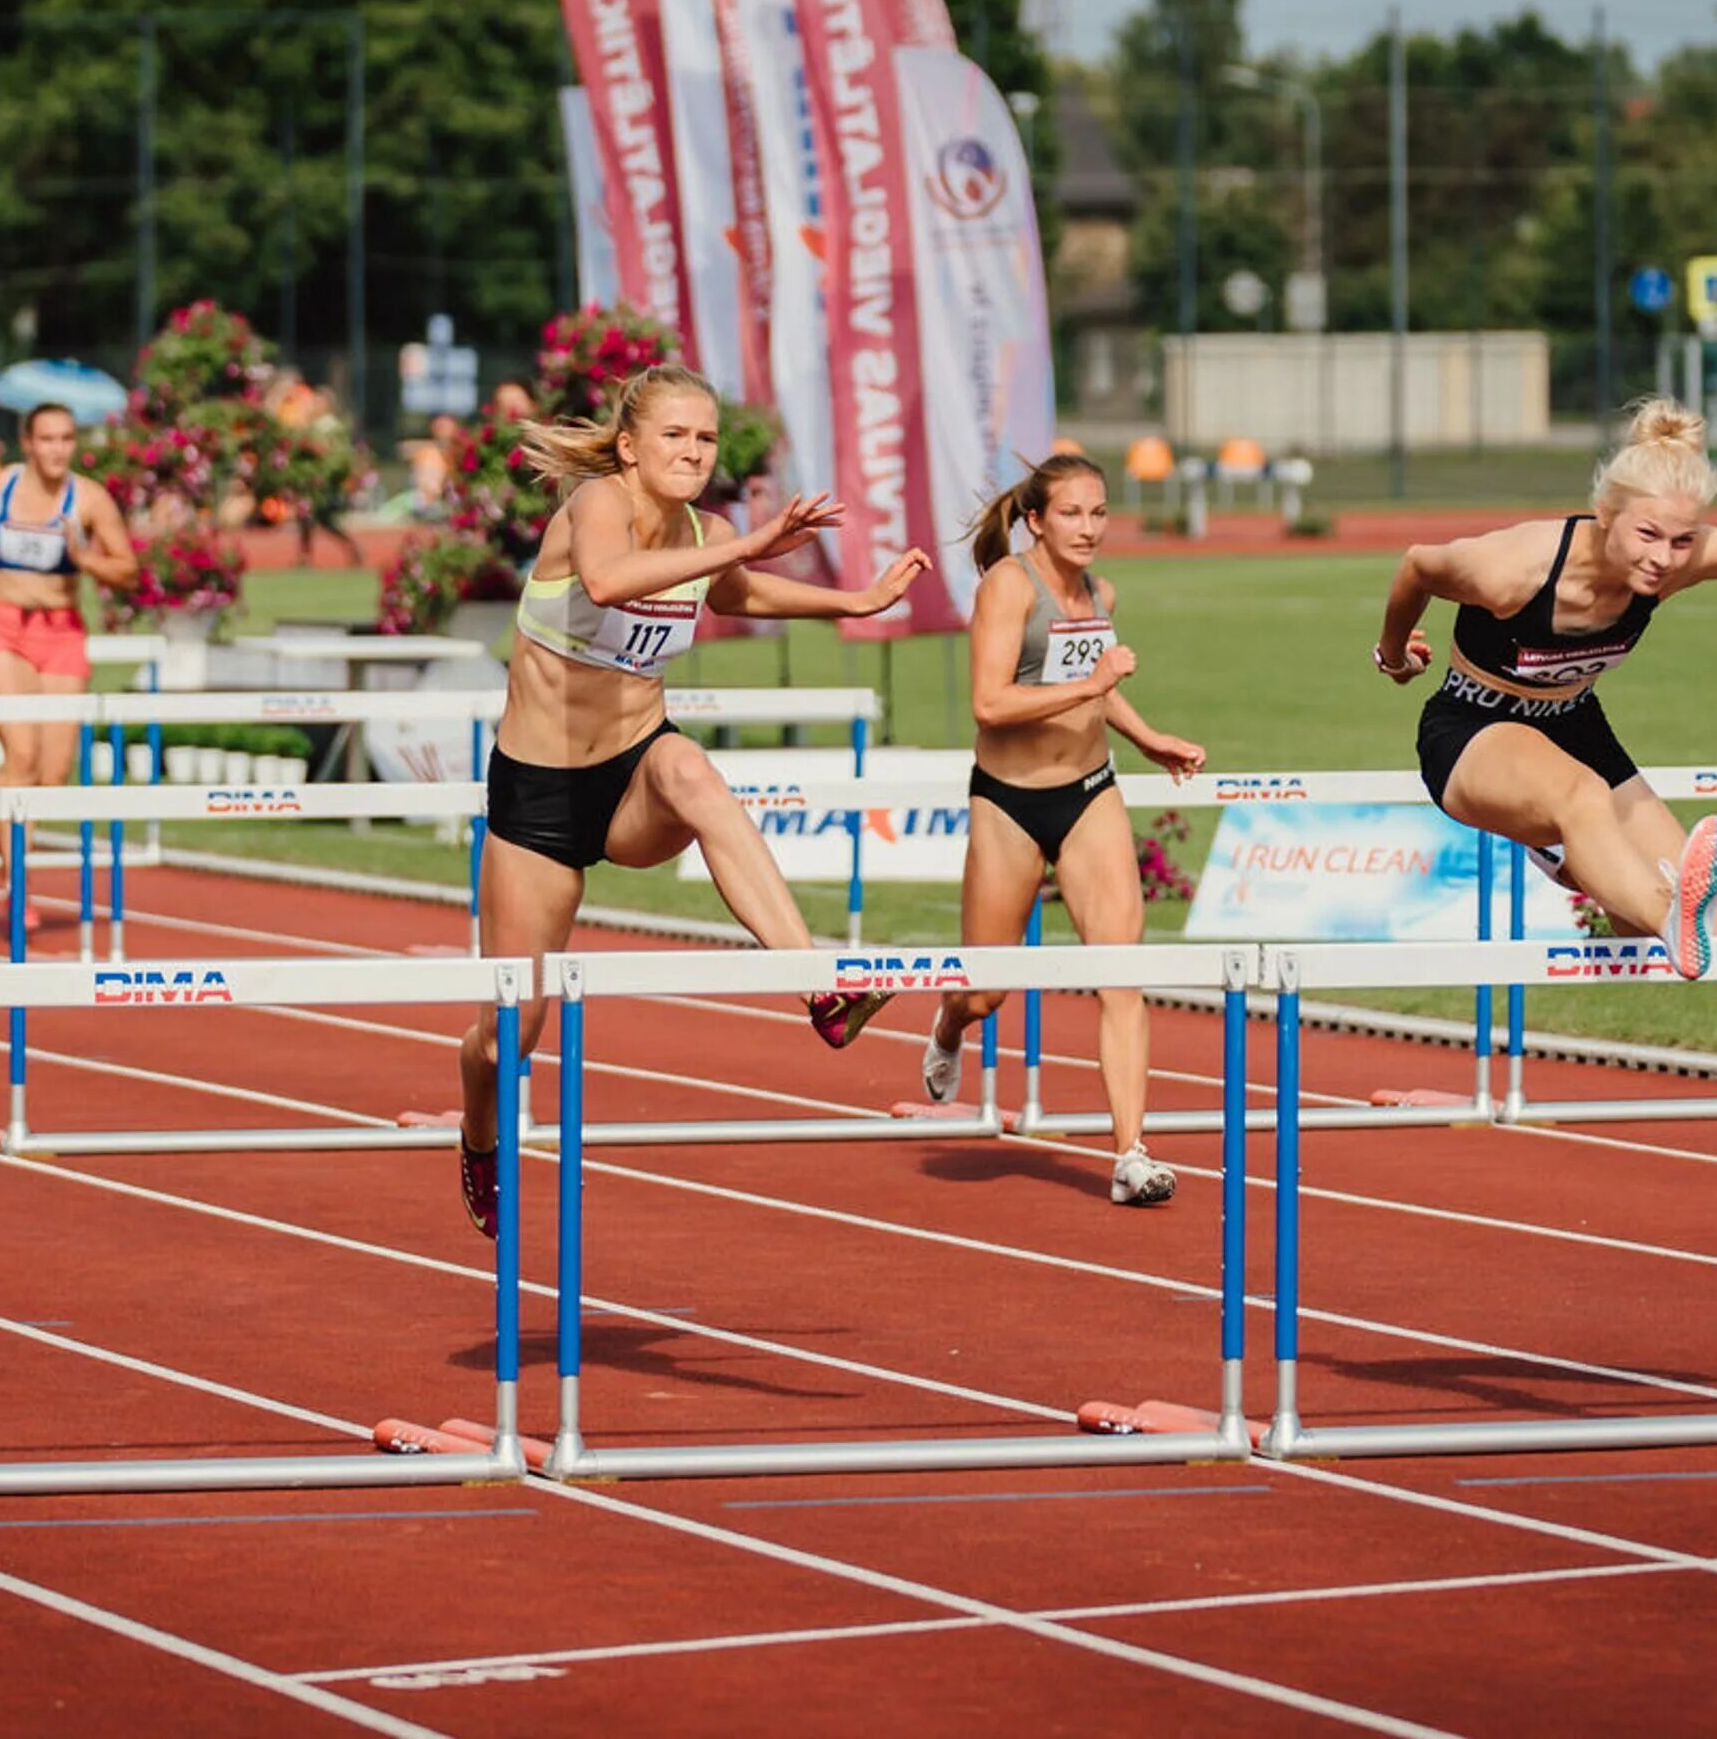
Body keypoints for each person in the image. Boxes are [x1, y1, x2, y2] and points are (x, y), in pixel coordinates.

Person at [455, 363, 930, 1237]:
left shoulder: (705, 531)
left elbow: (735, 590)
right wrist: (743, 545)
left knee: (693, 771)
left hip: (634, 773)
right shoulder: (599, 505)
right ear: (630, 447)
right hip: (541, 797)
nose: (694, 452)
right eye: (675, 435)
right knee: (505, 1037)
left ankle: (819, 985)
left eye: (706, 438)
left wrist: (852, 601)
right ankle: (480, 1141)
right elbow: (607, 581)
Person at [1374, 397, 1717, 981]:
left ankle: (1600, 873)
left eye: (1682, 542)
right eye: (1649, 535)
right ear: (1606, 513)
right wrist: (1394, 653)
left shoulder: (1674, 563)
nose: (1662, 560)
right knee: (1581, 795)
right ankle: (1645, 895)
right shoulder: (1512, 569)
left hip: (1575, 725)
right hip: (1474, 728)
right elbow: (1418, 565)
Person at [920, 452, 1208, 1207]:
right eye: (1073, 514)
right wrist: (1094, 683)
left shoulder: (1100, 591)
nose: (1089, 528)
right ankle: (951, 1021)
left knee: (1121, 975)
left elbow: (1092, 696)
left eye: (1100, 513)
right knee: (988, 994)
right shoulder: (1009, 586)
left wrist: (1146, 736)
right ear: (1037, 521)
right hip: (1009, 802)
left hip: (1089, 792)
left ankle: (1131, 1154)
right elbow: (990, 703)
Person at [0, 403, 139, 915]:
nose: (57, 449)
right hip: (1, 626)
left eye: (67, 439)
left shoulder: (88, 498)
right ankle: (17, 882)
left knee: (52, 773)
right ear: (27, 442)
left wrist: (86, 558)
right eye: (47, 439)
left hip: (61, 633)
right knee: (21, 756)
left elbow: (129, 571)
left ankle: (1, 827)